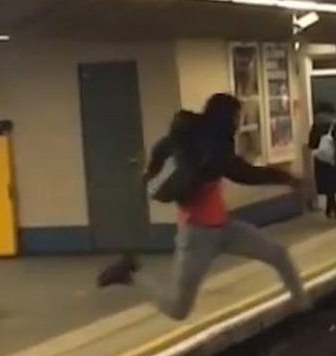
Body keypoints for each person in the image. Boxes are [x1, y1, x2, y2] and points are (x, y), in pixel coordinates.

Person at [97, 93, 311, 321]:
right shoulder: (211, 149)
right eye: (238, 116)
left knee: (278, 254)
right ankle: (131, 275)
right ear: (227, 117)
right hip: (197, 236)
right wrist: (288, 179)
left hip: (224, 228)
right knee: (178, 309)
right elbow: (246, 173)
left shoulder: (196, 138)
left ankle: (303, 306)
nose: (239, 122)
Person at [308, 102, 336, 219]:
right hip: (332, 159)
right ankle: (332, 205)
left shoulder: (316, 125)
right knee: (333, 182)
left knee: (325, 182)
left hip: (321, 159)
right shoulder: (334, 124)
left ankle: (331, 205)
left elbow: (311, 143)